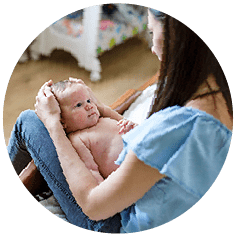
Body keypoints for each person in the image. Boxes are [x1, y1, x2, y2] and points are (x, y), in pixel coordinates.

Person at [7, 8, 233, 233]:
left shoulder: (177, 127)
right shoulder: (220, 102)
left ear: (176, 38)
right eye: (79, 104)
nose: (153, 48)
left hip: (112, 221)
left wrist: (53, 124)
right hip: (129, 198)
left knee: (28, 120)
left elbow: (93, 204)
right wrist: (99, 107)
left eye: (153, 32)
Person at [50, 79, 137, 183]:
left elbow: (138, 129)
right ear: (62, 121)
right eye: (78, 105)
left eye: (89, 100)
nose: (89, 106)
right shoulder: (78, 139)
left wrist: (132, 126)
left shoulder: (103, 119)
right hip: (130, 173)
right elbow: (91, 172)